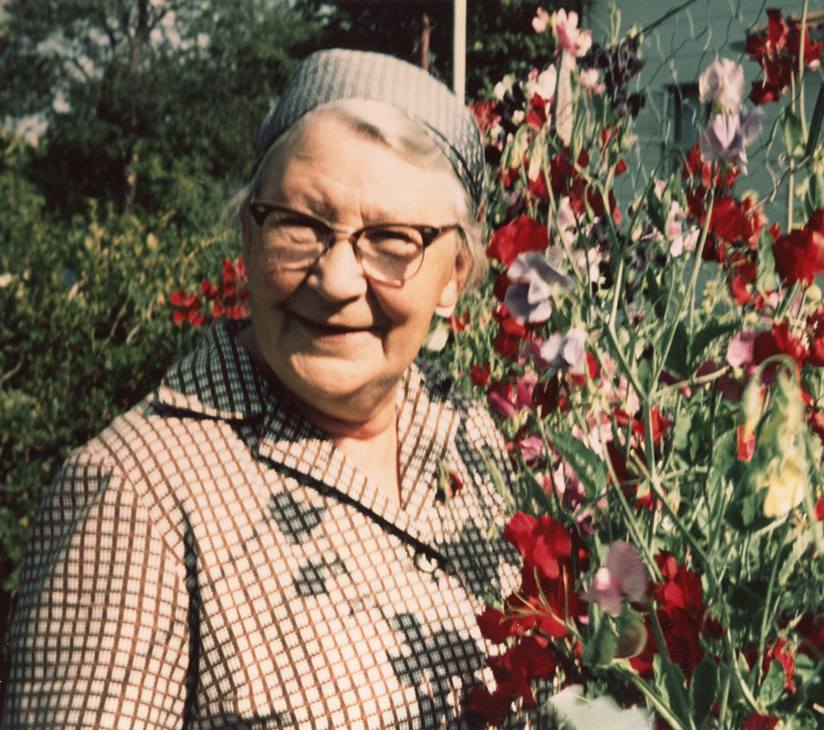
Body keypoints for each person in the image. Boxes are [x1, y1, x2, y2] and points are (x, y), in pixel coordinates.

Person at [2, 49, 531, 728]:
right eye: (300, 226)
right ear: (249, 239)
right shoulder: (134, 495)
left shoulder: (474, 440)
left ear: (454, 274)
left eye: (391, 240)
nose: (336, 280)